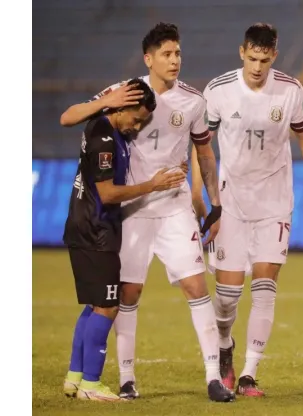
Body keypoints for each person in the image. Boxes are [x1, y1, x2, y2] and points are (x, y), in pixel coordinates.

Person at [59, 22, 234, 402]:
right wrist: (106, 102)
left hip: (174, 207)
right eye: (167, 54)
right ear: (148, 58)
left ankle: (213, 377)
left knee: (195, 285)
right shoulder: (125, 92)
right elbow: (71, 115)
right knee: (128, 292)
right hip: (132, 207)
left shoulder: (193, 101)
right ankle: (126, 379)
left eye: (178, 53)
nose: (175, 61)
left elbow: (205, 153)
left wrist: (212, 204)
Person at [198, 22, 303, 397]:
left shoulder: (290, 90)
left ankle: (248, 375)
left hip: (274, 202)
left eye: (265, 59)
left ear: (274, 55)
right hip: (232, 203)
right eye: (252, 58)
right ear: (242, 52)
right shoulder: (219, 91)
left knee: (265, 287)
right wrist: (204, 197)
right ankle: (226, 346)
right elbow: (201, 146)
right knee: (226, 297)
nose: (257, 66)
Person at [62, 78, 186, 401]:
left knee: (94, 305)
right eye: (136, 118)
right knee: (108, 306)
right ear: (120, 106)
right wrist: (153, 186)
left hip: (87, 227)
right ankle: (91, 383)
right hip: (95, 230)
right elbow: (107, 193)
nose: (137, 125)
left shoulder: (111, 131)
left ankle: (75, 377)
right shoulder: (104, 135)